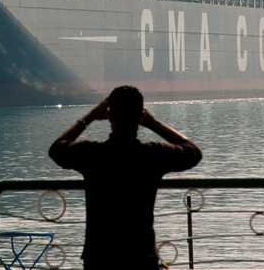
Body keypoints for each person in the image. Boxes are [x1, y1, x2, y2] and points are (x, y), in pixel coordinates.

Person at [48, 85, 202, 270]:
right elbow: (193, 152)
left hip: (100, 257)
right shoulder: (152, 155)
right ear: (140, 116)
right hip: (141, 255)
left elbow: (56, 149)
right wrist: (153, 123)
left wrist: (89, 118)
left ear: (109, 115)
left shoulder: (92, 154)